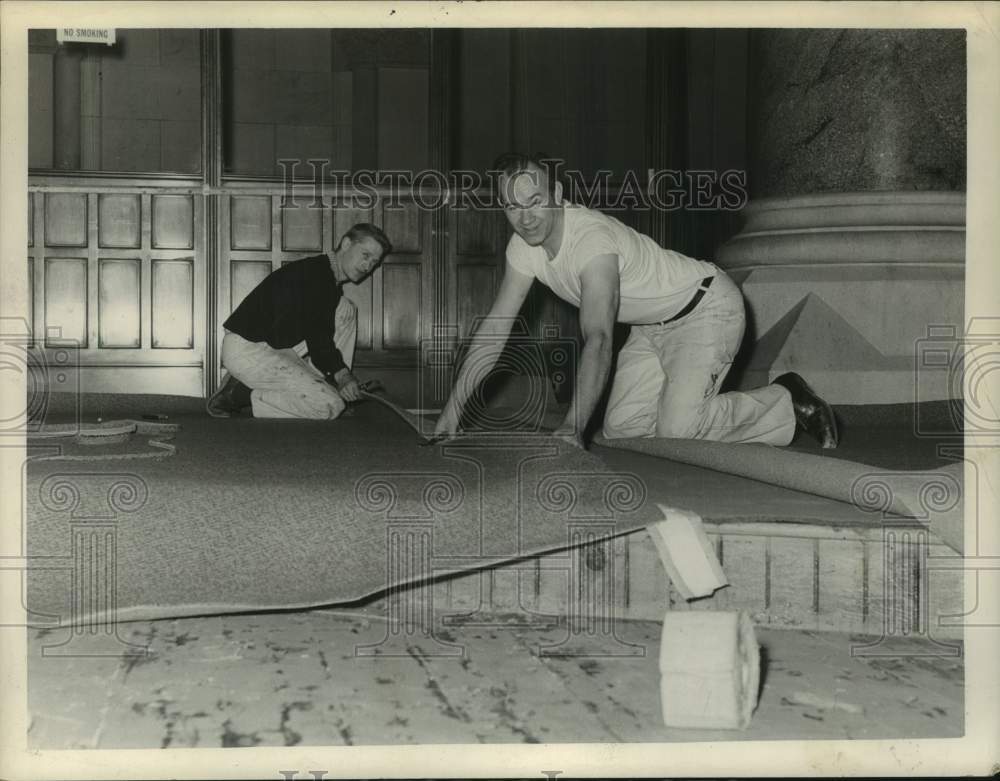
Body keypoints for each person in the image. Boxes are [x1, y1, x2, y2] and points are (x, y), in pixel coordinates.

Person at [433, 153, 838, 450]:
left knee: (677, 431)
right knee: (623, 429)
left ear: (556, 192)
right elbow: (496, 328)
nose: (525, 218)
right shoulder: (523, 247)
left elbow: (598, 338)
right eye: (512, 206)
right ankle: (685, 411)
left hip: (706, 308)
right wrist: (452, 413)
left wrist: (572, 428)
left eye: (535, 200)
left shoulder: (590, 242)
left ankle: (786, 401)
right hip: (650, 328)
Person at [207, 223, 392, 420]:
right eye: (365, 255)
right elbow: (319, 339)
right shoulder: (317, 277)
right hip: (248, 350)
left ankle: (330, 385)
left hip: (272, 346)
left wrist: (333, 376)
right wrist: (343, 375)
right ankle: (238, 395)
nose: (367, 266)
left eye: (374, 262)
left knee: (345, 308)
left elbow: (316, 334)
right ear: (346, 244)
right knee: (330, 406)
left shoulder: (324, 275)